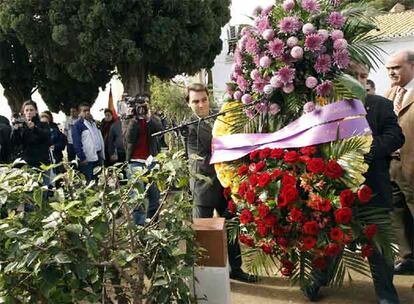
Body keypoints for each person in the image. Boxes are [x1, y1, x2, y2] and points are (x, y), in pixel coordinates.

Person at [302, 63, 404, 303]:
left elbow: (395, 136)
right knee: (331, 239)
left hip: (373, 190)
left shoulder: (380, 105)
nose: (359, 81)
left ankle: (387, 295)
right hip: (333, 190)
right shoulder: (324, 108)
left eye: (363, 76)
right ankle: (315, 281)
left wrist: (364, 151)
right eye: (354, 75)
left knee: (379, 246)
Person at [184, 83, 257, 283]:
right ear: (188, 103)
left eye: (204, 99)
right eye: (195, 101)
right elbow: (199, 159)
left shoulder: (221, 116)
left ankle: (237, 269)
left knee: (232, 226)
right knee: (202, 234)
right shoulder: (188, 127)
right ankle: (203, 278)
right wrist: (228, 153)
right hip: (204, 186)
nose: (201, 105)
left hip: (226, 185)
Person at [384, 50, 414, 275]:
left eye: (396, 67)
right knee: (396, 212)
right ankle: (407, 257)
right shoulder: (390, 94)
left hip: (412, 164)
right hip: (392, 165)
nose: (391, 72)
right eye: (388, 69)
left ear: (412, 66)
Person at [125, 94, 163, 224]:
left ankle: (153, 224)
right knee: (137, 199)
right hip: (135, 162)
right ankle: (140, 230)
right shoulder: (132, 120)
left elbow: (160, 130)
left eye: (145, 105)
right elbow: (128, 138)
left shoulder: (152, 119)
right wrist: (134, 119)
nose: (142, 108)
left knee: (155, 196)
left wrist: (148, 118)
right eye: (140, 106)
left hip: (151, 162)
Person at [10, 100, 50, 168]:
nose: (29, 112)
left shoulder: (43, 124)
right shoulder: (21, 126)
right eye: (27, 110)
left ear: (36, 111)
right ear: (23, 112)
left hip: (41, 164)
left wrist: (34, 128)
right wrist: (15, 129)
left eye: (31, 110)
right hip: (25, 164)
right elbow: (14, 143)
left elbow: (46, 137)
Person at [72, 103, 105, 181]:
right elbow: (77, 144)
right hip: (87, 159)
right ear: (80, 113)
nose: (87, 112)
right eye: (84, 111)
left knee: (99, 180)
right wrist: (82, 158)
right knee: (89, 181)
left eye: (88, 110)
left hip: (98, 156)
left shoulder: (93, 123)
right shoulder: (78, 126)